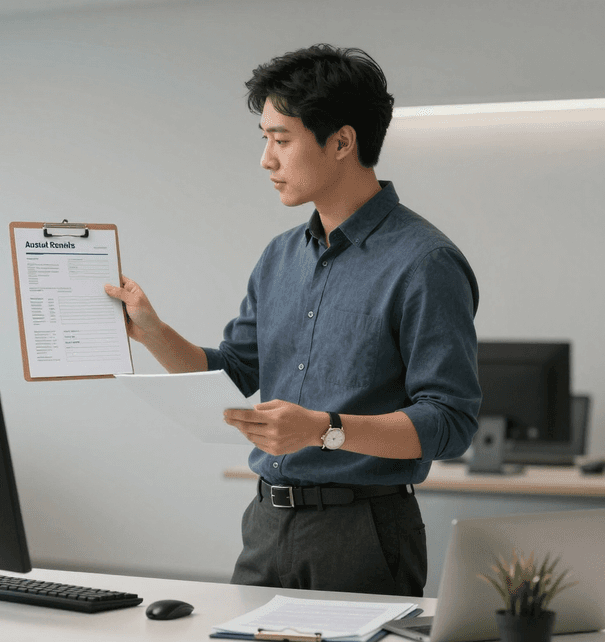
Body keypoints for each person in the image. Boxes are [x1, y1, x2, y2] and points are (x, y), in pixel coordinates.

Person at [104, 44, 480, 596]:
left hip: (364, 531)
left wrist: (323, 429)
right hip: (265, 523)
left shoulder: (425, 263)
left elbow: (450, 423)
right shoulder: (280, 256)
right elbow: (234, 371)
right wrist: (153, 332)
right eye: (265, 140)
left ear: (342, 143)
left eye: (281, 140)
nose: (266, 160)